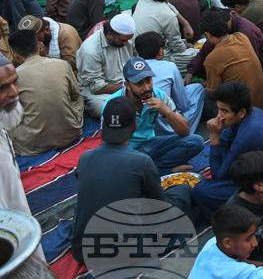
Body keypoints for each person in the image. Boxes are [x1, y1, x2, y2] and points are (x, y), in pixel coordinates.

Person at [70, 97, 190, 265]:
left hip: (81, 250)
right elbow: (160, 207)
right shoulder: (141, 161)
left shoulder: (84, 158)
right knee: (181, 192)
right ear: (134, 126)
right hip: (122, 254)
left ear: (103, 128)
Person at [192, 81, 263, 220]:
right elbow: (226, 141)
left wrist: (214, 136)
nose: (219, 116)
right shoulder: (253, 112)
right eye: (218, 109)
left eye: (224, 111)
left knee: (201, 191)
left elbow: (218, 175)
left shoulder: (247, 135)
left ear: (241, 112)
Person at [103, 56, 204, 175]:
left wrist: (165, 110)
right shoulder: (114, 104)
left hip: (152, 144)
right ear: (128, 85)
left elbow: (185, 131)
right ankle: (162, 170)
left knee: (196, 142)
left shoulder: (157, 95)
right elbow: (108, 146)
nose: (146, 88)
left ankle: (148, 169)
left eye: (148, 80)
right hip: (128, 151)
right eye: (139, 83)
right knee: (117, 167)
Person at [8, 28, 83, 156]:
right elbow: (75, 95)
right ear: (40, 45)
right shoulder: (62, 65)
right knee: (79, 99)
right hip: (71, 133)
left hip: (33, 144)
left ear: (15, 54)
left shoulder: (13, 77)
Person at [189, 205, 263, 279]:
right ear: (228, 243)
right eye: (248, 238)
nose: (255, 243)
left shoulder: (213, 243)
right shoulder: (230, 271)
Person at [201, 7, 263, 110]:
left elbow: (214, 93)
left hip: (243, 110)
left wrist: (203, 86)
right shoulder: (242, 37)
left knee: (200, 99)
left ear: (207, 35)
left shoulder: (212, 59)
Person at [77, 12, 137, 117]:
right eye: (122, 40)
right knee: (112, 110)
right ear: (109, 34)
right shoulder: (90, 50)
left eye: (128, 40)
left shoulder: (127, 38)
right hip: (99, 92)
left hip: (127, 85)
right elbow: (97, 87)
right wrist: (128, 89)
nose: (126, 44)